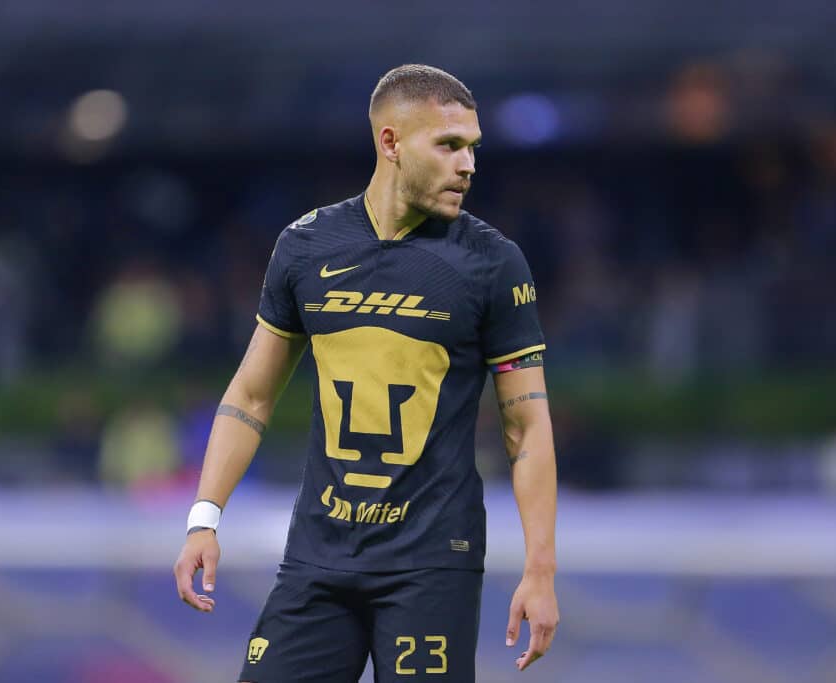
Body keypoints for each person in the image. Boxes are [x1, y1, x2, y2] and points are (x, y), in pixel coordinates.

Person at [173, 64, 559, 682]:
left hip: (431, 565)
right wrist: (204, 518)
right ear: (390, 142)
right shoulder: (305, 246)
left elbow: (527, 428)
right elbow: (250, 395)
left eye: (473, 148)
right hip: (317, 557)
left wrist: (540, 571)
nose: (469, 166)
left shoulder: (493, 263)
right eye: (449, 145)